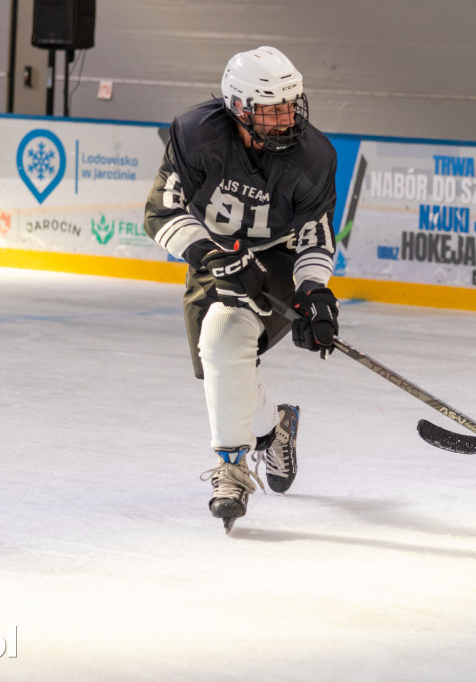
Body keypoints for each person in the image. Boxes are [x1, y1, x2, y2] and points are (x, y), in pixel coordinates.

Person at [143, 46, 339, 530]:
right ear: (239, 108)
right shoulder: (196, 135)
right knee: (219, 367)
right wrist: (214, 257)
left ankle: (231, 470)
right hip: (212, 253)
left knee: (225, 332)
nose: (286, 118)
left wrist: (313, 290)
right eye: (272, 110)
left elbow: (315, 237)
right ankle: (274, 429)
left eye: (290, 105)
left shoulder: (314, 157)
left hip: (276, 256)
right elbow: (162, 213)